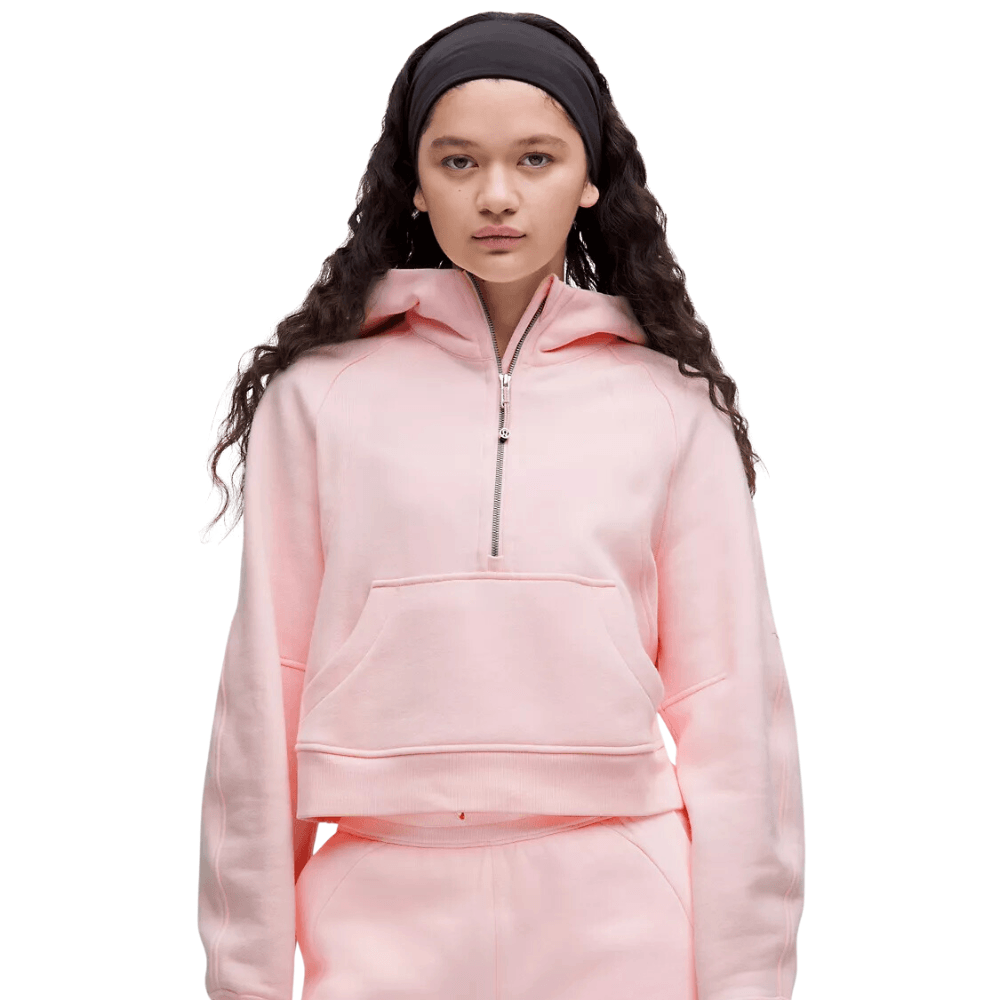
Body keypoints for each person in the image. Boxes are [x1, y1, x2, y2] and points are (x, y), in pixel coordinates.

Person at [197, 11, 805, 1000]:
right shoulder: (317, 400)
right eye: (457, 161)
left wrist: (748, 984)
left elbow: (735, 712)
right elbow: (261, 697)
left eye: (534, 158)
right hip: (380, 894)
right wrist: (244, 979)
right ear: (413, 181)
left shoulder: (669, 405)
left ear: (591, 176)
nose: (495, 195)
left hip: (622, 893)